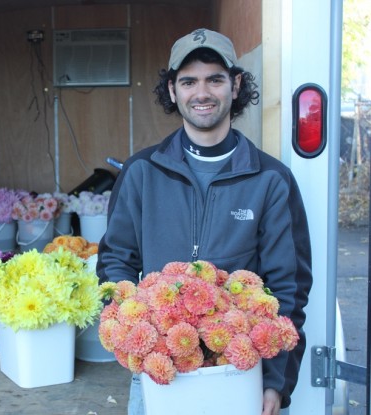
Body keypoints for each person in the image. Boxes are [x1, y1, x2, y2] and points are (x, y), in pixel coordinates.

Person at [96, 28, 312, 415]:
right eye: (189, 81)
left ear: (236, 85)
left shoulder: (270, 180)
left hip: (239, 373)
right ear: (173, 90)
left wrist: (276, 382)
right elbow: (115, 264)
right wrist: (135, 333)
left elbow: (288, 290)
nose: (202, 92)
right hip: (159, 371)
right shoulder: (142, 171)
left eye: (215, 79)